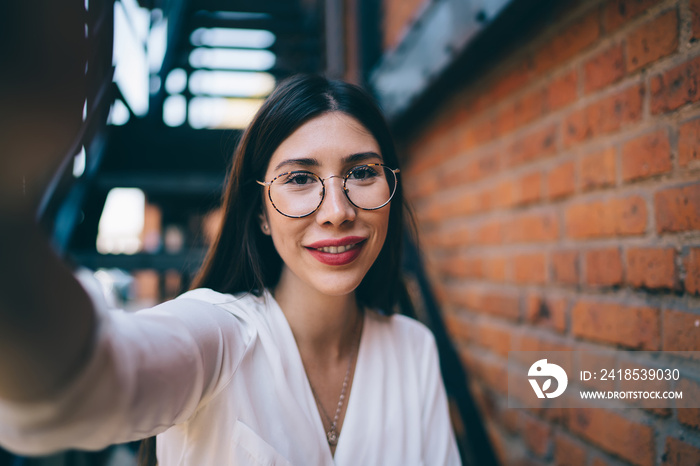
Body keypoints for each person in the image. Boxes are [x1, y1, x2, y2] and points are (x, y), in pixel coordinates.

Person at [0, 74, 461, 465]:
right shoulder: (218, 334)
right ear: (260, 212)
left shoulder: (413, 349)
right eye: (300, 178)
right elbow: (79, 390)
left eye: (362, 172)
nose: (337, 211)